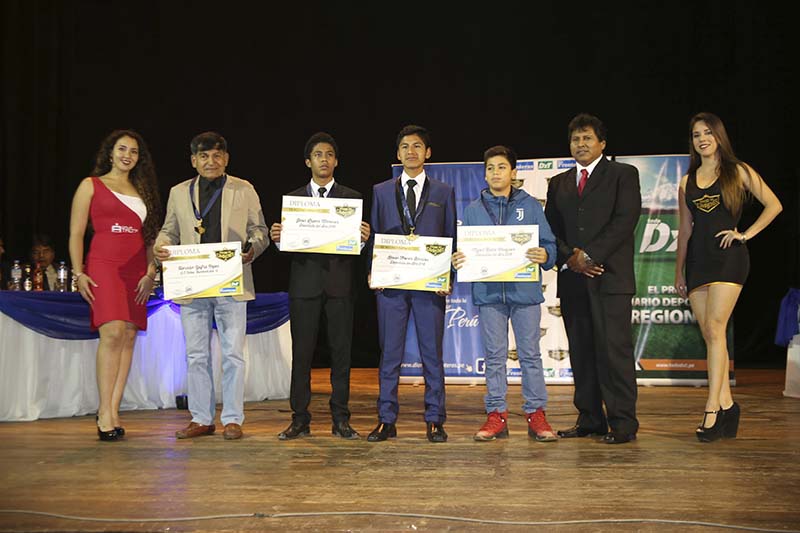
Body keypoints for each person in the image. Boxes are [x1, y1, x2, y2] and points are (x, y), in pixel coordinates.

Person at [674, 112, 782, 442]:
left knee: (716, 328)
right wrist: (679, 270)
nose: (702, 138)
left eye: (707, 132)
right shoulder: (686, 180)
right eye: (695, 134)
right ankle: (728, 405)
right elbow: (685, 229)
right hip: (698, 263)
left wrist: (745, 235)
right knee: (709, 333)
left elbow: (774, 205)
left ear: (719, 136)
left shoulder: (739, 171)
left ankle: (711, 408)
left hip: (728, 260)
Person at [154, 131, 268, 441]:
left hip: (231, 281)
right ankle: (201, 418)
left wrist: (251, 250)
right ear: (193, 161)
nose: (211, 161)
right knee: (196, 355)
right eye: (203, 156)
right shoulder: (179, 192)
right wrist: (160, 246)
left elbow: (261, 232)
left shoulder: (244, 189)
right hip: (193, 283)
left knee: (233, 354)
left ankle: (232, 418)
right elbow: (168, 231)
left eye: (217, 155)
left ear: (226, 159)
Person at [544, 113, 641, 444]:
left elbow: (625, 220)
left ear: (602, 143)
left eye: (587, 138)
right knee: (581, 353)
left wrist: (590, 256)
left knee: (614, 353)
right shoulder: (559, 183)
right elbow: (550, 231)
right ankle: (590, 419)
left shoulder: (623, 175)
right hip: (574, 280)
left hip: (610, 279)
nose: (580, 144)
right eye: (575, 139)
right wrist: (572, 257)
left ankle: (623, 423)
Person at [452, 146, 558, 442]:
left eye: (501, 167)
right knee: (495, 357)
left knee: (530, 356)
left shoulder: (532, 206)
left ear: (513, 173)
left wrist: (544, 254)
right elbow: (464, 251)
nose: (495, 173)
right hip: (489, 294)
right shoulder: (473, 210)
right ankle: (496, 414)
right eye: (490, 168)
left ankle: (536, 414)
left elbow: (550, 245)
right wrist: (458, 260)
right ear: (484, 174)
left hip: (524, 292)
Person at [269, 132, 371, 440]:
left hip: (340, 287)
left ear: (336, 161)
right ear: (308, 162)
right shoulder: (295, 199)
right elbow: (288, 246)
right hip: (304, 287)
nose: (323, 159)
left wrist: (363, 241)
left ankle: (341, 418)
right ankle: (300, 418)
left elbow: (355, 246)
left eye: (329, 154)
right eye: (317, 155)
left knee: (342, 354)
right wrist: (278, 240)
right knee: (302, 354)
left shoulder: (351, 198)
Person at [68, 129, 161, 441]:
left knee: (130, 335)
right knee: (113, 332)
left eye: (133, 151)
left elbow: (150, 239)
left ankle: (113, 409)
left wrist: (151, 272)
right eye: (122, 149)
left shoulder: (143, 191)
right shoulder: (90, 186)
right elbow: (76, 234)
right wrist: (79, 273)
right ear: (110, 152)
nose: (127, 155)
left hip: (137, 270)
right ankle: (104, 412)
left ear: (139, 159)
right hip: (103, 266)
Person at [367, 124, 456, 443]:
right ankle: (386, 419)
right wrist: (373, 272)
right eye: (405, 146)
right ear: (398, 153)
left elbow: (450, 236)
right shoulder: (380, 190)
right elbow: (375, 236)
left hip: (430, 285)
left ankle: (435, 419)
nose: (411, 152)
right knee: (390, 354)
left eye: (417, 146)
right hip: (391, 285)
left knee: (432, 354)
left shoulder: (444, 192)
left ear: (427, 153)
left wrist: (447, 277)